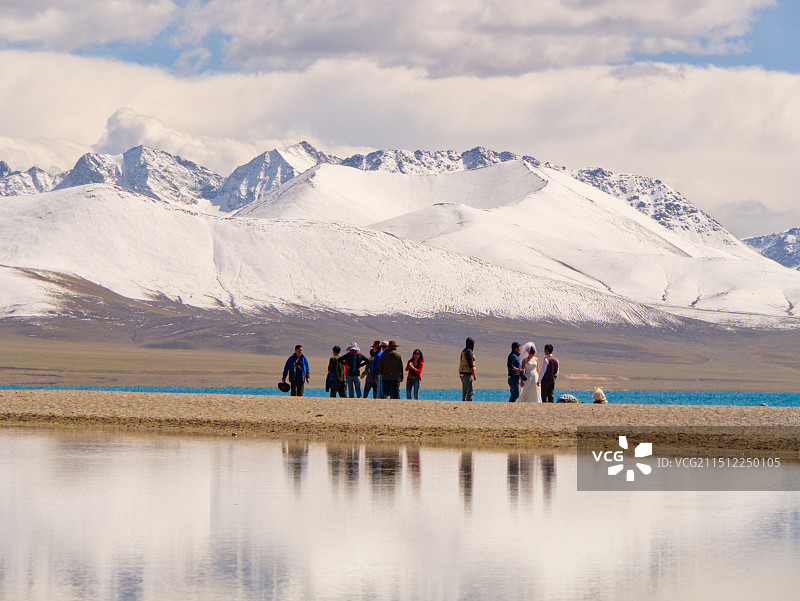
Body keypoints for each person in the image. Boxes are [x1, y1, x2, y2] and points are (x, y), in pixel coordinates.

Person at [459, 337, 477, 402]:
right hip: (467, 374)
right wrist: (474, 375)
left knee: (465, 391)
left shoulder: (463, 351)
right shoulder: (469, 352)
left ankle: (464, 402)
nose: (474, 345)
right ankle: (468, 402)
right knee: (470, 391)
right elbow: (470, 364)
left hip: (462, 373)